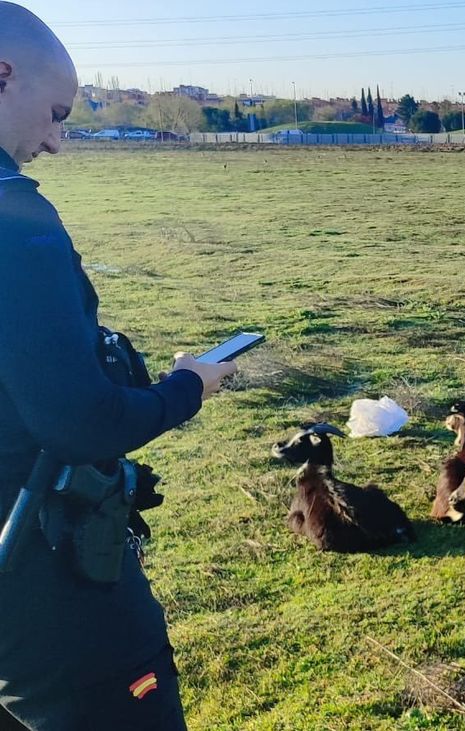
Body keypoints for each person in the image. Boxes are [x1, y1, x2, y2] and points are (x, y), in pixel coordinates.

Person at [0, 4, 236, 728]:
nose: (56, 140)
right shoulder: (17, 222)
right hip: (45, 585)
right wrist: (184, 389)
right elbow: (80, 422)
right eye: (56, 113)